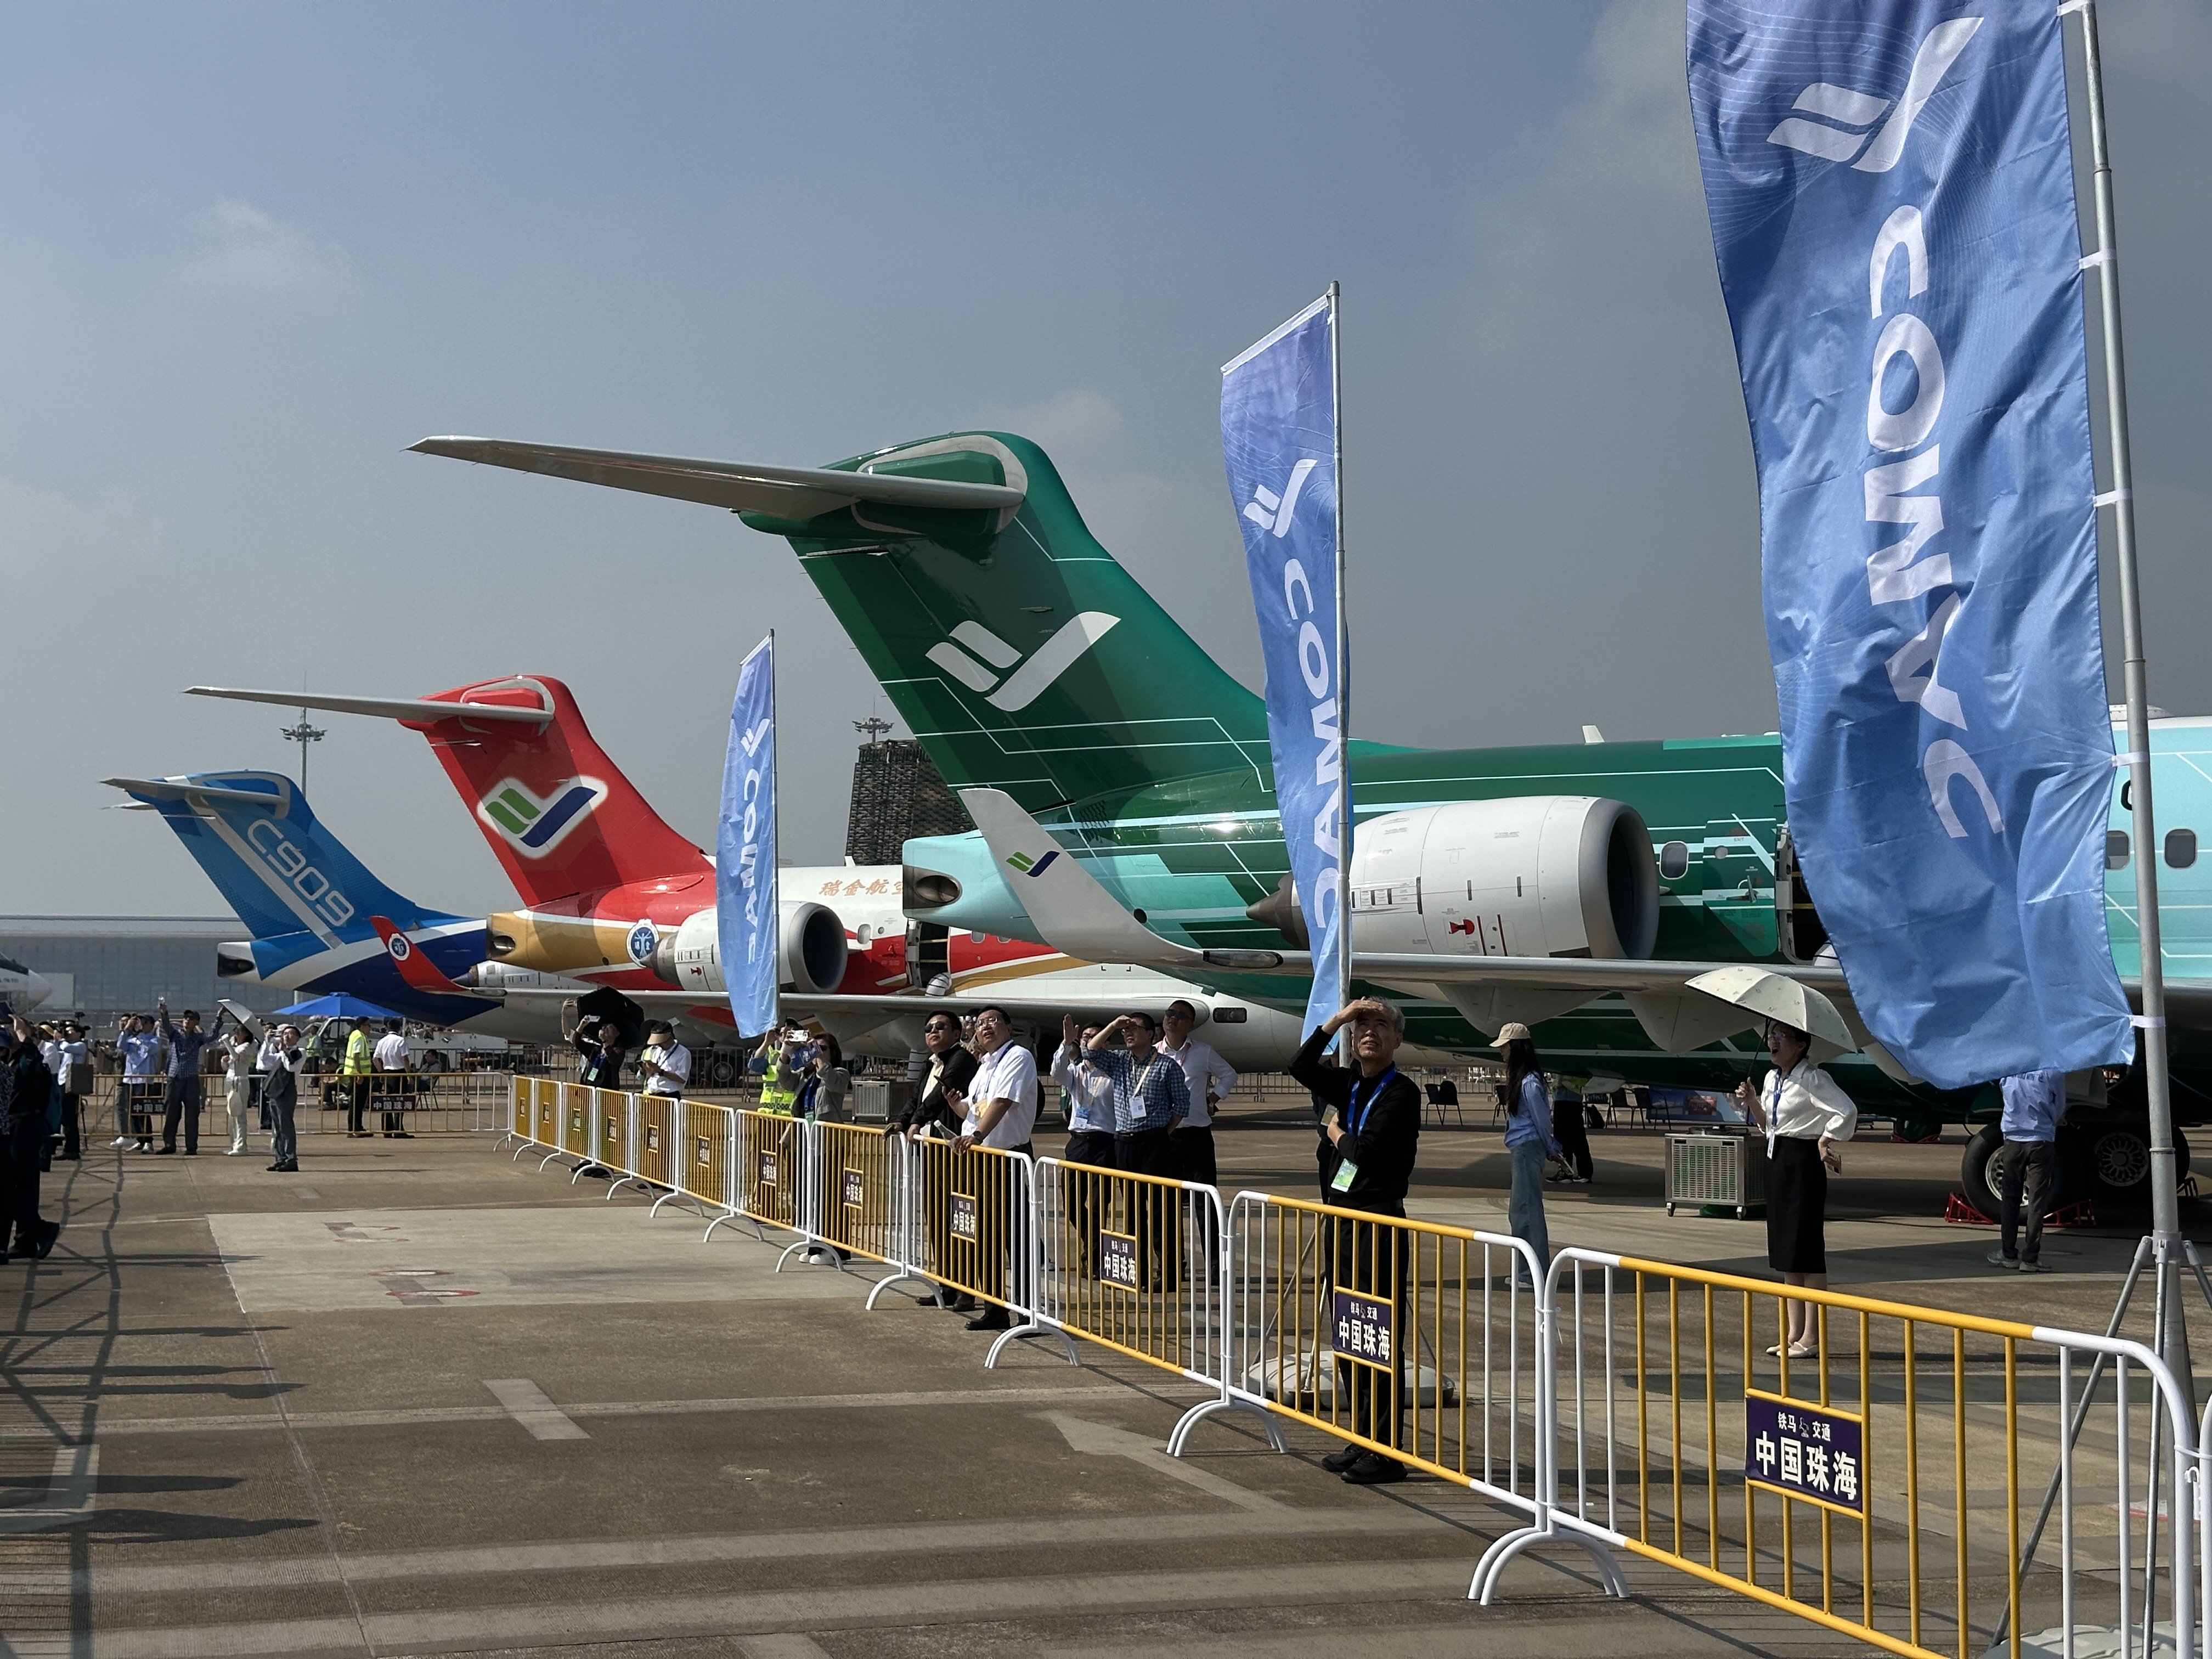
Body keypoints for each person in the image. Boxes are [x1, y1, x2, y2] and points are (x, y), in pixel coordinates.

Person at [1291, 997, 1423, 1486]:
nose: (1370, 1032)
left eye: (1380, 1025)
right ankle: (1363, 1436)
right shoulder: (1347, 1082)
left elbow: (1367, 1153)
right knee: (1348, 1331)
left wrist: (1335, 1132)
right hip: (1341, 1222)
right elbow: (1300, 1064)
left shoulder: (1401, 1093)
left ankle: (1388, 1451)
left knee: (1379, 1332)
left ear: (1396, 1039)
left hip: (1378, 1222)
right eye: (1362, 1026)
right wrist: (1339, 1018)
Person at [1734, 1018, 1857, 1359]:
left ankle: (1811, 1337)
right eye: (1771, 1035)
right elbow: (1768, 1127)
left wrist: (1825, 1138)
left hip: (1803, 1163)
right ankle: (1792, 1334)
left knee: (1808, 1253)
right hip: (1779, 1161)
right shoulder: (1773, 1078)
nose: (1773, 1041)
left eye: (1781, 1036)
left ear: (1800, 1045)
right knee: (1787, 1254)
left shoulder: (1814, 1078)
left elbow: (1846, 1111)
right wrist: (1754, 1102)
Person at [944, 1005, 1040, 1333]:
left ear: (1009, 1028)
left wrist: (977, 1135)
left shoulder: (1019, 1058)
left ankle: (1027, 1312)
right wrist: (958, 1107)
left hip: (1008, 1157)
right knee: (985, 1237)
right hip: (982, 1158)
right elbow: (977, 1108)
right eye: (981, 1023)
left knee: (1017, 1238)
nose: (986, 1028)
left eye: (994, 1022)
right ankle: (994, 1309)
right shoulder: (984, 1065)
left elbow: (1002, 1103)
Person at [890, 1011, 978, 1313]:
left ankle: (967, 1289)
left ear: (957, 1033)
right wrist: (903, 1121)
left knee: (960, 1219)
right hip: (930, 1150)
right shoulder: (931, 1063)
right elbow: (917, 1098)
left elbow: (938, 1099)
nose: (933, 1032)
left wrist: (916, 1121)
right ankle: (947, 1286)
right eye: (928, 1028)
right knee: (937, 1218)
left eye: (941, 1027)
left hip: (953, 1149)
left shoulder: (961, 1060)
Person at [1494, 1024, 1562, 1282]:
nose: (1501, 1051)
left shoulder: (1530, 1083)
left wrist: (1550, 1146)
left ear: (1516, 1048)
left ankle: (1532, 1274)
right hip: (1523, 1149)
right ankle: (1530, 1272)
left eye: (1504, 1046)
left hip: (1527, 1149)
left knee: (1527, 1212)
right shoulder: (1524, 1080)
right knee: (1521, 1211)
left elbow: (1542, 1120)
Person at [1052, 1017, 1119, 1266]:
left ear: (1106, 1043)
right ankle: (1092, 1242)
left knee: (1100, 1203)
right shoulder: (1075, 1071)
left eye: (1094, 1036)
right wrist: (1066, 1043)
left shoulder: (1114, 1073)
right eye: (1085, 1038)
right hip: (1079, 1140)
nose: (1088, 1041)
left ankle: (1093, 1257)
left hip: (1106, 1141)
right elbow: (1056, 1072)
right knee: (1072, 1203)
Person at [1989, 1068, 2064, 1273]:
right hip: (2041, 1138)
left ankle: (2008, 1253)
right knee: (2037, 1200)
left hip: (2014, 1138)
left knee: (2010, 1198)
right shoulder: (2053, 1072)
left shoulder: (2010, 1068)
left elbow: (2005, 1093)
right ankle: (2031, 1257)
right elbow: (2059, 1106)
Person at [1160, 1000, 1238, 1188]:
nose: (1173, 1018)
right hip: (1165, 1133)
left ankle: (1208, 1219)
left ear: (1190, 1024)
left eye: (1180, 1015)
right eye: (1170, 1013)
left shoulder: (1203, 1052)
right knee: (1168, 1195)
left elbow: (1229, 1075)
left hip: (1196, 1133)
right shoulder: (1154, 1053)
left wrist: (1211, 1099)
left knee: (1203, 1192)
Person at [3, 1019, 60, 1262]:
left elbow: (34, 1064)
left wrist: (24, 1037)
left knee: (22, 1183)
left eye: (8, 1029)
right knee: (10, 1186)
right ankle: (22, 1240)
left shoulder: (28, 1060)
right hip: (11, 1125)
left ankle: (31, 1236)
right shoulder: (11, 1061)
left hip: (24, 1125)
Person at [155, 1000, 211, 1156]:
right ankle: (169, 1144)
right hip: (174, 1077)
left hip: (191, 1078)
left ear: (196, 1023)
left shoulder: (198, 1038)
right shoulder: (175, 1036)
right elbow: (166, 1026)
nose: (187, 1021)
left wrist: (219, 1019)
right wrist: (164, 1013)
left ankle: (191, 1146)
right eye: (185, 1018)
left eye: (191, 1019)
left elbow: (212, 1036)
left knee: (192, 1114)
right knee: (171, 1111)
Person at [260, 1024, 307, 1173]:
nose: (287, 1036)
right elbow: (263, 1062)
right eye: (285, 1034)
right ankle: (280, 1158)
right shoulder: (281, 1053)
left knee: (286, 1126)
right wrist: (267, 1042)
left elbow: (291, 1067)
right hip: (276, 1091)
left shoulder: (300, 1052)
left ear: (298, 1038)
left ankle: (291, 1159)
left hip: (288, 1092)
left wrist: (283, 1051)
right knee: (277, 1128)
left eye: (291, 1034)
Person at [114, 1014, 161, 1152]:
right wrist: (126, 1030)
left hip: (144, 1078)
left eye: (144, 1022)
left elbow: (147, 1049)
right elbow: (121, 1046)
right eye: (139, 1022)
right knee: (133, 1111)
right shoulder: (132, 1039)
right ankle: (140, 1139)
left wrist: (137, 1039)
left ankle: (148, 1141)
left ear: (151, 1025)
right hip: (130, 1078)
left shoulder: (155, 1040)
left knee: (143, 1111)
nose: (141, 1024)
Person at [52, 1022, 88, 1163]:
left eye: (70, 1031)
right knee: (66, 1118)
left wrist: (61, 1039)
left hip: (71, 1085)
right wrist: (56, 1041)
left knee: (70, 1118)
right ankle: (72, 1148)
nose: (68, 1034)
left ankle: (71, 1150)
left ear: (79, 1034)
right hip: (63, 1082)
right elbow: (58, 1053)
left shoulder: (80, 1046)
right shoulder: (68, 1047)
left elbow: (65, 1047)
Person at [372, 1019, 414, 1138]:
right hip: (399, 1073)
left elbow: (375, 1059)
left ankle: (387, 1129)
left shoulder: (382, 1041)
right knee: (400, 1102)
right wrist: (409, 1075)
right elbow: (405, 1059)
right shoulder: (401, 1041)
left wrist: (381, 1071)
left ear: (387, 1028)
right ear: (399, 1028)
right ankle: (398, 1129)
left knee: (387, 1101)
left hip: (387, 1072)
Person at [1547, 1080, 1593, 1185]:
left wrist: (1557, 1084)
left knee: (1562, 1137)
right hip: (1577, 1096)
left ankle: (1565, 1172)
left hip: (1563, 1096)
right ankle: (1585, 1173)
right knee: (1578, 1137)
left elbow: (1559, 1077)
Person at [338, 1017, 374, 1137]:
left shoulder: (356, 1035)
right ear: (362, 1026)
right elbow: (356, 1056)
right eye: (368, 1026)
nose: (370, 1028)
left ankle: (358, 1127)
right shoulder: (359, 1036)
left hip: (359, 1074)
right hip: (358, 1075)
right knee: (356, 1103)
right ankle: (353, 1129)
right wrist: (359, 1073)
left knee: (359, 1102)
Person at [639, 1022, 690, 1098]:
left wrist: (661, 1072)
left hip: (669, 1095)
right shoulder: (658, 1050)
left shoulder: (683, 1053)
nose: (659, 1045)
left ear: (670, 1038)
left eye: (661, 1042)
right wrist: (646, 1070)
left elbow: (682, 1078)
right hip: (652, 1094)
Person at [575, 1019, 625, 1091]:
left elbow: (614, 1060)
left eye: (610, 1027)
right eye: (604, 1027)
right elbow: (578, 1043)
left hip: (606, 1091)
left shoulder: (619, 1050)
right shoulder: (596, 1049)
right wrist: (581, 1027)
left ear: (617, 1033)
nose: (605, 1029)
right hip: (589, 1088)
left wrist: (604, 1041)